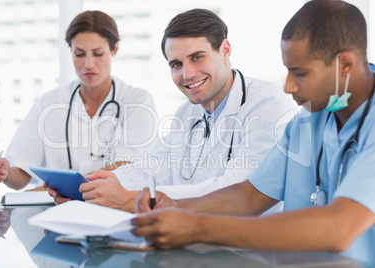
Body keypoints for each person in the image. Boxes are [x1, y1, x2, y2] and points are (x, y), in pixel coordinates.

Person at [132, 1, 375, 266]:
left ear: (345, 65)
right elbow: (250, 196)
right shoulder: (309, 121)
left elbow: (338, 229)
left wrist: (197, 227)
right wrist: (176, 207)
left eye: (300, 73)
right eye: (288, 70)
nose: (289, 86)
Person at [49, 9, 295, 212]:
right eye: (176, 64)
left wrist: (129, 199)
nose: (187, 74)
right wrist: (91, 187)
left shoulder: (266, 104)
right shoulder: (187, 114)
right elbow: (152, 167)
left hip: (249, 252)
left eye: (197, 57)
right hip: (193, 243)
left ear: (225, 50)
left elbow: (238, 190)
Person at [0, 11, 156, 191]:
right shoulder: (50, 102)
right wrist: (4, 172)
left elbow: (129, 167)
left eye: (98, 53)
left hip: (113, 209)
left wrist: (65, 187)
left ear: (115, 50)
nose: (88, 64)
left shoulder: (137, 101)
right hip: (55, 208)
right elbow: (20, 175)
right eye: (79, 54)